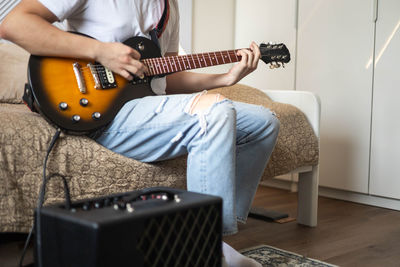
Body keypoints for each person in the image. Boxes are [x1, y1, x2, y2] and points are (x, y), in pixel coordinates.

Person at [0, 0, 280, 266]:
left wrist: (225, 79)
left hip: (151, 107)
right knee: (215, 112)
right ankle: (206, 245)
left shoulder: (169, 7)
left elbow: (166, 77)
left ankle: (211, 237)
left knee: (264, 122)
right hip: (103, 112)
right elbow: (13, 23)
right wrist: (99, 52)